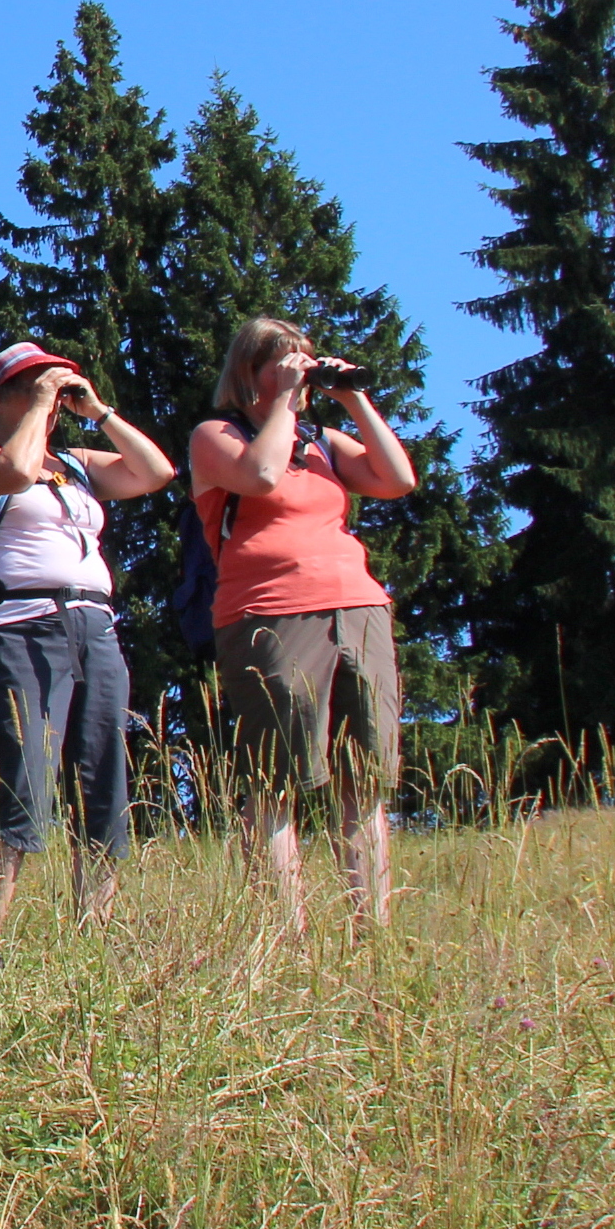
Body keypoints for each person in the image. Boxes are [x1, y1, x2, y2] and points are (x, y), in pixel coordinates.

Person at [0, 343, 177, 971]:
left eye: (48, 383)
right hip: (21, 623)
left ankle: (93, 938)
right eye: (26, 384)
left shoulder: (76, 465)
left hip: (94, 624)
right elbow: (16, 471)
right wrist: (42, 403)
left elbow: (155, 472)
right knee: (27, 777)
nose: (44, 394)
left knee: (103, 777)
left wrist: (97, 411)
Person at [188, 317, 417, 932]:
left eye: (305, 359)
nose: (300, 369)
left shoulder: (324, 443)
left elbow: (397, 480)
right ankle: (284, 934)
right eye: (284, 360)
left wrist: (352, 396)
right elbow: (258, 477)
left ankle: (371, 929)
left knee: (363, 775)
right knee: (276, 777)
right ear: (248, 372)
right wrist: (283, 403)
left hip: (357, 605)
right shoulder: (218, 435)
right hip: (267, 613)